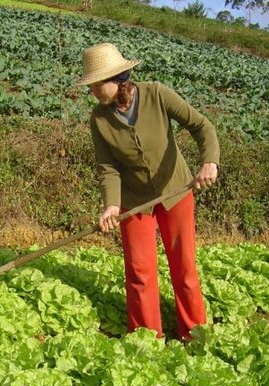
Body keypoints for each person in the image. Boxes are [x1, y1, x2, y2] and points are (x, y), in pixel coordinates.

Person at [74, 43, 220, 340]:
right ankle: (146, 339)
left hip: (176, 192)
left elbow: (201, 126)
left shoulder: (156, 94)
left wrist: (209, 162)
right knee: (139, 271)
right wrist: (112, 205)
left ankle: (194, 334)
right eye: (90, 85)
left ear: (116, 79)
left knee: (184, 267)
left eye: (96, 84)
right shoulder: (99, 118)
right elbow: (108, 167)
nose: (92, 91)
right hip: (134, 201)